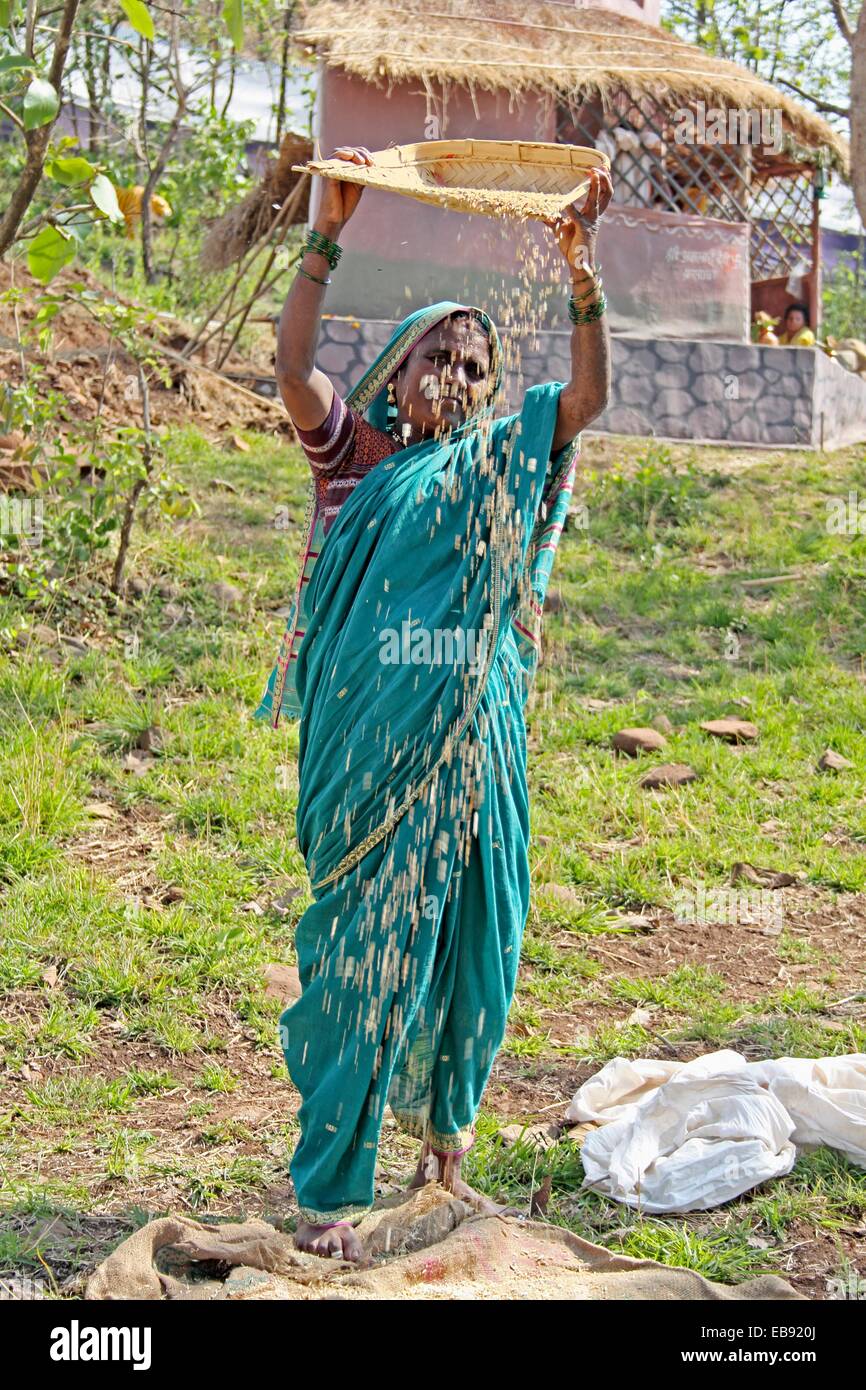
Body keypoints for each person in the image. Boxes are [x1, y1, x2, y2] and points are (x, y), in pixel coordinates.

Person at [255, 145, 612, 1262]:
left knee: (473, 931)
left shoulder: (509, 457)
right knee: (363, 954)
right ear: (395, 376)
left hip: (476, 749)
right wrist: (327, 230)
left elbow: (588, 397)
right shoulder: (355, 462)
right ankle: (326, 1189)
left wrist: (579, 269)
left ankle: (445, 1144)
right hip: (365, 756)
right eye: (431, 356)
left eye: (472, 361)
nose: (452, 375)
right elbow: (291, 361)